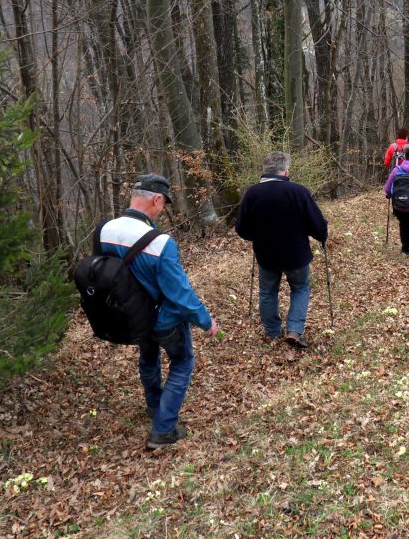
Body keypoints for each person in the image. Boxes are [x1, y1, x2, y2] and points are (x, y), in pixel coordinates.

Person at [99, 173, 220, 450]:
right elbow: (180, 294)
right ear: (155, 199)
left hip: (131, 317)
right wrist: (206, 321)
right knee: (182, 362)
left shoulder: (104, 230)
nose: (163, 208)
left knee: (149, 358)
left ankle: (154, 406)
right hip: (164, 320)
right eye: (163, 202)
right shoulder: (159, 242)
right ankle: (163, 429)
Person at [236, 151, 328, 349]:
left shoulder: (253, 193)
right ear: (285, 170)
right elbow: (317, 224)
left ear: (265, 170)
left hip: (266, 254)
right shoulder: (298, 191)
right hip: (296, 254)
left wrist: (257, 236)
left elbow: (242, 229)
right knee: (300, 288)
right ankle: (294, 330)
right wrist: (322, 235)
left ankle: (272, 332)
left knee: (268, 292)